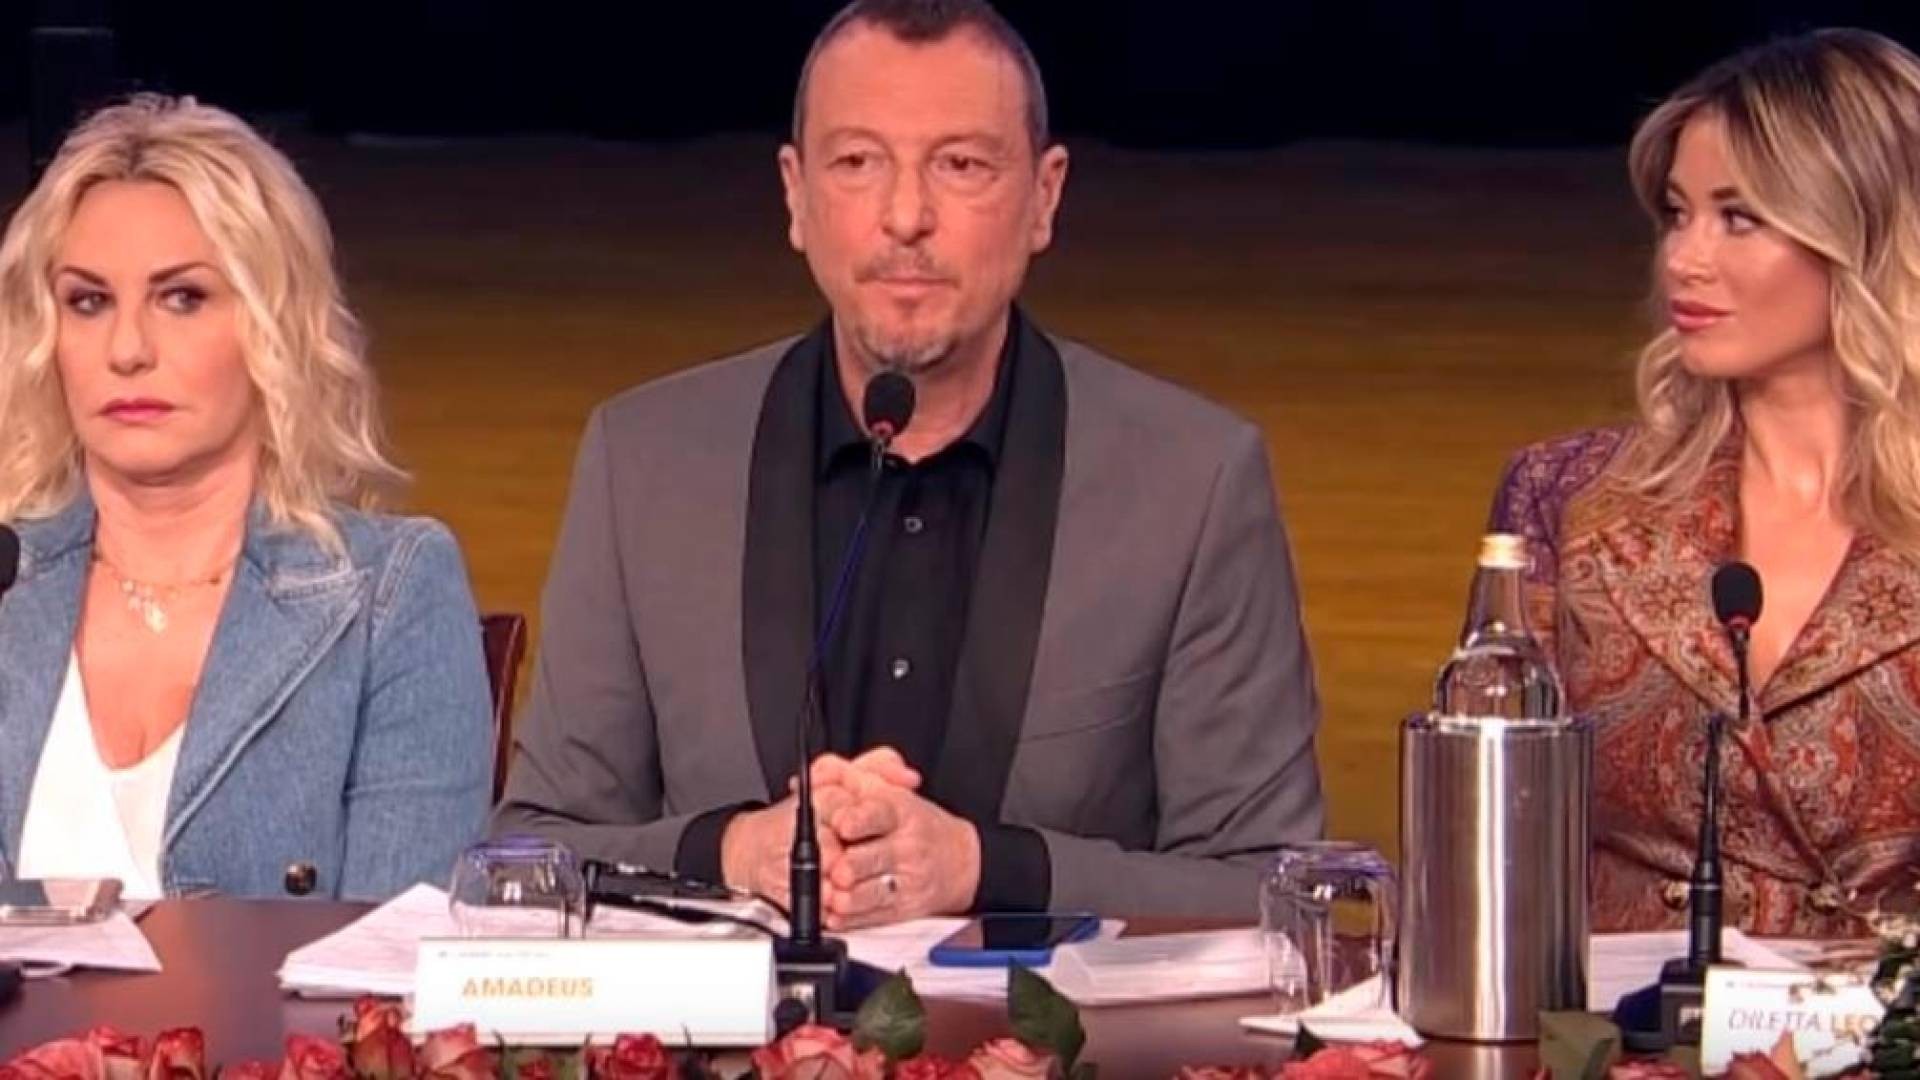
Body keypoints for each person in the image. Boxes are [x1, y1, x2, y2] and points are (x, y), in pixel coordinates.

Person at [495, 0, 1323, 926]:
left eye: (960, 165)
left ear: (1044, 198)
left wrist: (983, 868)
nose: (905, 217)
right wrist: (734, 852)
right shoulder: (642, 461)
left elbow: (1272, 887)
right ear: (796, 196)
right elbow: (525, 854)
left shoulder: (1195, 480)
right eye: (858, 162)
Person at [0, 95, 493, 901]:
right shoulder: (10, 585)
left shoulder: (390, 594)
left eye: (182, 298)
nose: (128, 349)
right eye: (88, 301)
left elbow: (396, 951)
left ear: (274, 323)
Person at [1489, 29, 1920, 936]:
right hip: (1620, 1015)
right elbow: (1498, 847)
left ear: (1868, 233)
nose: (1684, 259)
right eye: (1678, 214)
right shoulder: (1565, 498)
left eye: (1739, 218)